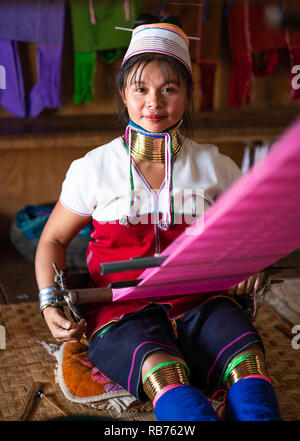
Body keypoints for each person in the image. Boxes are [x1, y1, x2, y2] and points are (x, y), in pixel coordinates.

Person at [35, 14, 281, 421]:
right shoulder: (93, 169)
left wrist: (253, 262)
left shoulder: (215, 166)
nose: (155, 102)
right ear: (123, 93)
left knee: (249, 363)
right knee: (165, 374)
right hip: (120, 309)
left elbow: (259, 231)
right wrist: (48, 303)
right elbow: (52, 241)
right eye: (141, 88)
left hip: (205, 300)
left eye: (170, 88)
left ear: (188, 94)